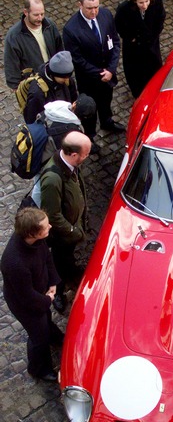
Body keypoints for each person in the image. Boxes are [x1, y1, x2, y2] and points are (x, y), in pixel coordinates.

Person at [0, 208, 64, 382]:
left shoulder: (35, 240)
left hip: (39, 291)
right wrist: (47, 299)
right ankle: (38, 369)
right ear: (32, 233)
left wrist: (52, 282)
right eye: (45, 226)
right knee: (38, 337)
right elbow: (27, 297)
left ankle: (55, 337)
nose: (50, 226)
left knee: (46, 320)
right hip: (25, 305)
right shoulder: (15, 263)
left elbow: (46, 258)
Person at [63, 0, 125, 148]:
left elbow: (115, 42)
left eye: (96, 7)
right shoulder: (71, 29)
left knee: (106, 101)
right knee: (89, 110)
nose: (94, 11)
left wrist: (111, 70)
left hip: (108, 75)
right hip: (89, 80)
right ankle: (89, 136)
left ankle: (107, 121)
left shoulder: (105, 15)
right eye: (90, 8)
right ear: (80, 5)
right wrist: (99, 73)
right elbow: (77, 59)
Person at [40, 131, 91, 313]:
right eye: (85, 154)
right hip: (62, 236)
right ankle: (59, 292)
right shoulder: (52, 179)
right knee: (59, 263)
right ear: (74, 154)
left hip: (73, 227)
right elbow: (52, 215)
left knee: (67, 260)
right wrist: (74, 232)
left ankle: (71, 272)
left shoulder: (71, 165)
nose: (86, 157)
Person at [115, 0, 166, 98]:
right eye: (141, 3)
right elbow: (119, 26)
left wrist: (153, 36)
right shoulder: (124, 9)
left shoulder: (157, 1)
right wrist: (131, 38)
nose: (145, 5)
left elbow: (160, 19)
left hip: (151, 42)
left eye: (146, 1)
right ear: (134, 1)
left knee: (154, 68)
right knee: (135, 72)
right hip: (134, 46)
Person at [4, 0, 63, 91]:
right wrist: (18, 89)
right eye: (36, 15)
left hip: (53, 80)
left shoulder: (49, 26)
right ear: (26, 12)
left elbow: (60, 49)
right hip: (33, 87)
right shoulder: (14, 36)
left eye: (42, 14)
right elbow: (11, 65)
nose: (40, 18)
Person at [24, 50, 78, 124]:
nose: (67, 80)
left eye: (68, 76)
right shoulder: (37, 92)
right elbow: (32, 120)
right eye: (64, 78)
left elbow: (73, 99)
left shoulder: (67, 80)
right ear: (53, 74)